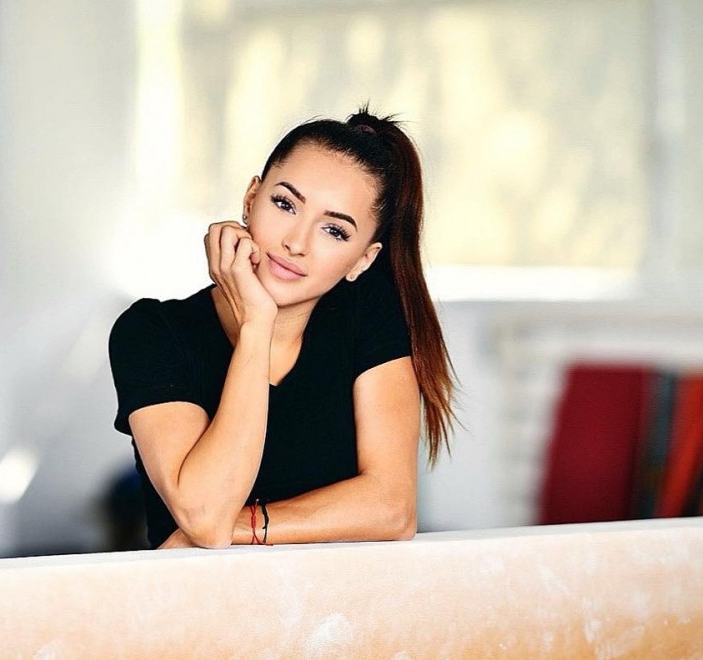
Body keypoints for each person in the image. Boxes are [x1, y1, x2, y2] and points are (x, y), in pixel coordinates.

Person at [109, 108, 456, 549]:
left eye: (334, 230)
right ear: (251, 198)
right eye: (285, 204)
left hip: (334, 593)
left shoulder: (367, 314)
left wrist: (237, 529)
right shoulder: (151, 332)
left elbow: (392, 509)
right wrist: (257, 325)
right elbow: (204, 513)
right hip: (199, 594)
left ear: (363, 260)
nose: (296, 243)